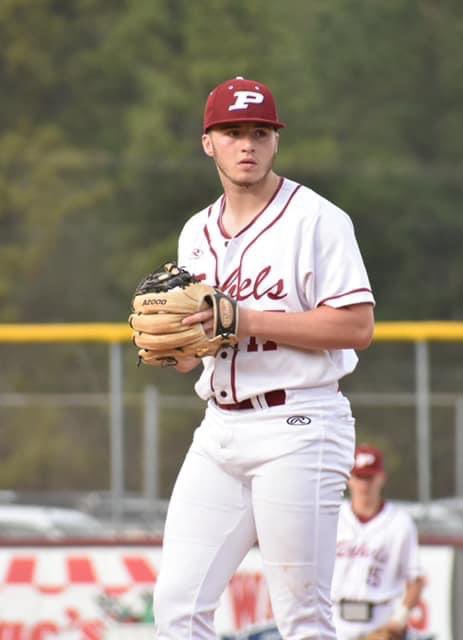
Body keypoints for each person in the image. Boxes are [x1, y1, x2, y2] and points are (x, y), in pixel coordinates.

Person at [151, 76, 376, 639]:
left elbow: (357, 325)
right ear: (209, 142)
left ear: (276, 140)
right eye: (232, 132)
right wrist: (181, 352)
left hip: (299, 424)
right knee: (177, 608)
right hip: (219, 429)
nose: (246, 144)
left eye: (259, 132)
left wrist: (245, 319)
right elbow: (209, 340)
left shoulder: (319, 220)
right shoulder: (194, 233)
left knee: (301, 617)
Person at [332, 444, 425, 640]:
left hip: (380, 621)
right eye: (359, 477)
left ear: (382, 478)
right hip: (335, 621)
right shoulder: (332, 517)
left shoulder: (399, 522)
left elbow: (416, 579)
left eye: (370, 478)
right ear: (349, 479)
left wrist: (398, 621)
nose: (364, 485)